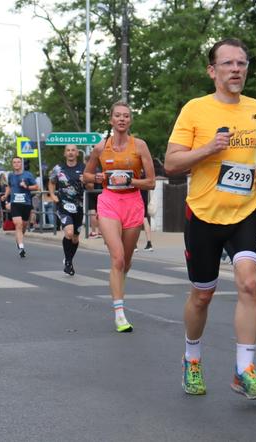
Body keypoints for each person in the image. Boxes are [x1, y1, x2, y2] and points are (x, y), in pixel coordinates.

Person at [165, 38, 256, 400]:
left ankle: (244, 370)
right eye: (228, 64)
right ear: (213, 71)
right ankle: (192, 359)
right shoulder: (195, 110)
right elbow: (171, 163)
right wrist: (208, 149)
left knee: (249, 284)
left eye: (241, 63)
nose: (236, 70)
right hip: (203, 213)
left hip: (244, 210)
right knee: (202, 295)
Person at [84, 101, 156, 333]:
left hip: (133, 202)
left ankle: (118, 281)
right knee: (117, 259)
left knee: (125, 260)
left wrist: (129, 181)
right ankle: (119, 313)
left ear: (130, 120)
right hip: (109, 202)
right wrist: (100, 178)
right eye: (118, 115)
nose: (122, 119)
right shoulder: (100, 147)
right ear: (111, 120)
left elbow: (151, 182)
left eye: (126, 116)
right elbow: (86, 175)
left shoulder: (140, 146)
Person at [49, 144, 89, 273]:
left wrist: (87, 182)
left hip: (78, 207)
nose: (70, 153)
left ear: (77, 153)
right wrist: (53, 195)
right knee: (69, 233)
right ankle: (67, 261)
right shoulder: (58, 168)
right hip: (63, 206)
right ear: (64, 153)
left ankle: (69, 260)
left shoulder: (84, 168)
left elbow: (91, 187)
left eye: (73, 150)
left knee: (75, 238)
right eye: (68, 150)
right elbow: (51, 182)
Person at [3, 157, 38, 258]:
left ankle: (19, 240)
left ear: (21, 164)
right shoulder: (11, 175)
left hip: (26, 204)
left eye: (18, 162)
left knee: (23, 226)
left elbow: (36, 187)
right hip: (15, 203)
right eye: (14, 162)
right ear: (12, 164)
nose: (17, 164)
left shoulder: (28, 175)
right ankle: (21, 247)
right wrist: (6, 195)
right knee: (18, 225)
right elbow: (9, 186)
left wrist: (26, 186)